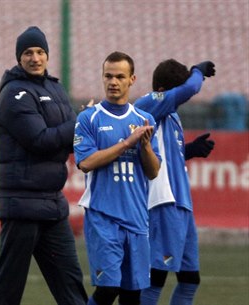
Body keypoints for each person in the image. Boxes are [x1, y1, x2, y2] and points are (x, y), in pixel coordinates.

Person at [0, 26, 88, 305]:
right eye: (28, 52)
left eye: (40, 52)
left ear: (47, 55)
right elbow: (40, 140)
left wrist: (83, 128)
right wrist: (79, 123)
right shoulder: (15, 94)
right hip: (21, 204)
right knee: (8, 289)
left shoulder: (55, 88)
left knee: (71, 283)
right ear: (19, 58)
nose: (35, 58)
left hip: (52, 204)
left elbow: (71, 139)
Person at [73, 51, 161, 305]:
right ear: (102, 78)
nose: (113, 82)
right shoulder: (89, 118)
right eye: (108, 76)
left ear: (131, 79)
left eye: (120, 76)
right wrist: (127, 143)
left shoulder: (144, 120)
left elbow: (153, 171)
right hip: (103, 217)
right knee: (108, 290)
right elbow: (86, 163)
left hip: (136, 219)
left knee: (132, 294)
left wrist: (144, 148)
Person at [135, 59, 216, 305]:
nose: (182, 100)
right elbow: (191, 88)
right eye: (176, 93)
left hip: (182, 205)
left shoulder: (171, 117)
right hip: (164, 202)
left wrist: (190, 150)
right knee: (155, 278)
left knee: (190, 280)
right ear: (163, 90)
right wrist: (197, 72)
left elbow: (169, 156)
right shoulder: (149, 104)